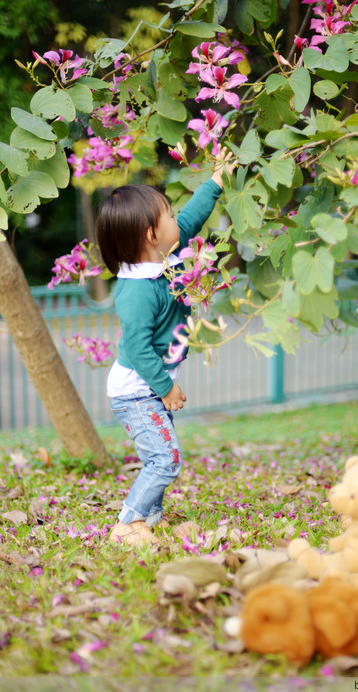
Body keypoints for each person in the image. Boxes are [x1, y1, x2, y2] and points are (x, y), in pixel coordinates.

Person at [95, 148, 236, 547]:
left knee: (162, 455)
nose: (178, 220)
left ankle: (148, 521)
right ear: (150, 236)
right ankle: (127, 523)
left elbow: (190, 219)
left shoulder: (164, 258)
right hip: (138, 392)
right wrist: (166, 388)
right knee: (166, 459)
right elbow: (138, 349)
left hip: (147, 390)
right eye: (168, 216)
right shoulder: (138, 291)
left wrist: (216, 181)